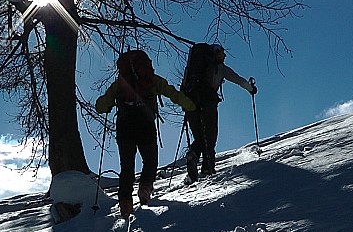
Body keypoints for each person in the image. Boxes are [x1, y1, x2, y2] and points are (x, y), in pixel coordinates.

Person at [96, 50, 195, 219]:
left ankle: (126, 202)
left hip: (124, 125)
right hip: (145, 124)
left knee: (126, 165)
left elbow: (101, 106)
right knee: (150, 160)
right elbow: (172, 93)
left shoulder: (120, 83)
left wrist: (108, 105)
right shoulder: (152, 80)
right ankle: (144, 188)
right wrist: (190, 106)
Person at [183, 43, 257, 183]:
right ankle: (207, 169)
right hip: (208, 104)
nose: (225, 55)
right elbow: (238, 79)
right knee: (210, 137)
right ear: (216, 53)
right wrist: (251, 89)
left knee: (199, 138)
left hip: (191, 103)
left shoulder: (195, 67)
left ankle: (193, 154)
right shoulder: (220, 68)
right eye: (222, 52)